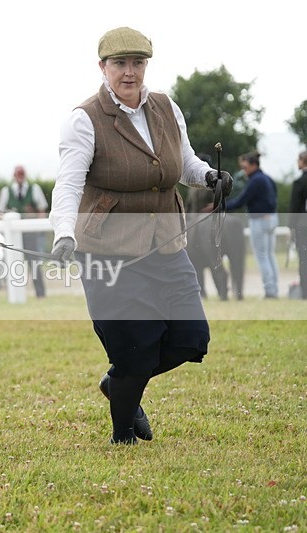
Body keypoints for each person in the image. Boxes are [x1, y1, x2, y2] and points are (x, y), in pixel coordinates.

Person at [49, 27, 232, 445]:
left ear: (146, 65)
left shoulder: (167, 107)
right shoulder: (84, 119)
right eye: (120, 64)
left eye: (137, 63)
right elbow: (69, 184)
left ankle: (117, 385)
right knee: (135, 347)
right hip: (106, 250)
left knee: (191, 338)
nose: (129, 73)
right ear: (103, 67)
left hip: (166, 242)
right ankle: (122, 437)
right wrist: (64, 234)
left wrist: (209, 176)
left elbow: (183, 162)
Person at [226, 151, 279, 298]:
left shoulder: (255, 181)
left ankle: (270, 291)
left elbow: (241, 201)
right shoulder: (267, 178)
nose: (244, 170)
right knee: (269, 255)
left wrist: (220, 206)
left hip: (259, 220)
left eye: (245, 167)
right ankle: (274, 288)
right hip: (271, 219)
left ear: (253, 165)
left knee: (261, 256)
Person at [0, 165, 49, 297]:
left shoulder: (34, 189)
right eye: (18, 174)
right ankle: (14, 294)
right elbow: (0, 212)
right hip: (13, 234)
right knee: (13, 263)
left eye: (22, 174)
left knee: (34, 262)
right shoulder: (6, 191)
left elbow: (41, 210)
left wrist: (38, 227)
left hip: (31, 233)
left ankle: (40, 293)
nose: (20, 177)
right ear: (14, 176)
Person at [287, 151, 307, 298]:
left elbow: (294, 208)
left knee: (304, 260)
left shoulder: (299, 183)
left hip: (302, 225)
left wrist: (291, 227)